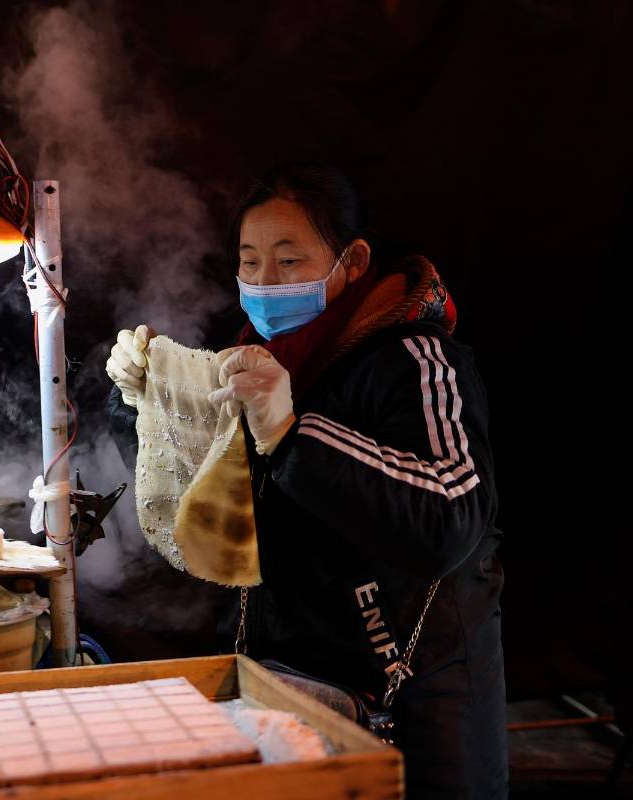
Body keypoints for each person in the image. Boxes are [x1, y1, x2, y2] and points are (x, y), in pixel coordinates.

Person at [107, 164, 506, 797]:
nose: (265, 283)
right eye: (250, 262)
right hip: (293, 684)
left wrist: (294, 431)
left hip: (415, 708)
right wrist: (155, 399)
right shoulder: (262, 359)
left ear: (352, 260)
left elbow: (449, 513)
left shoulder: (418, 360)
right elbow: (218, 498)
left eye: (289, 262)